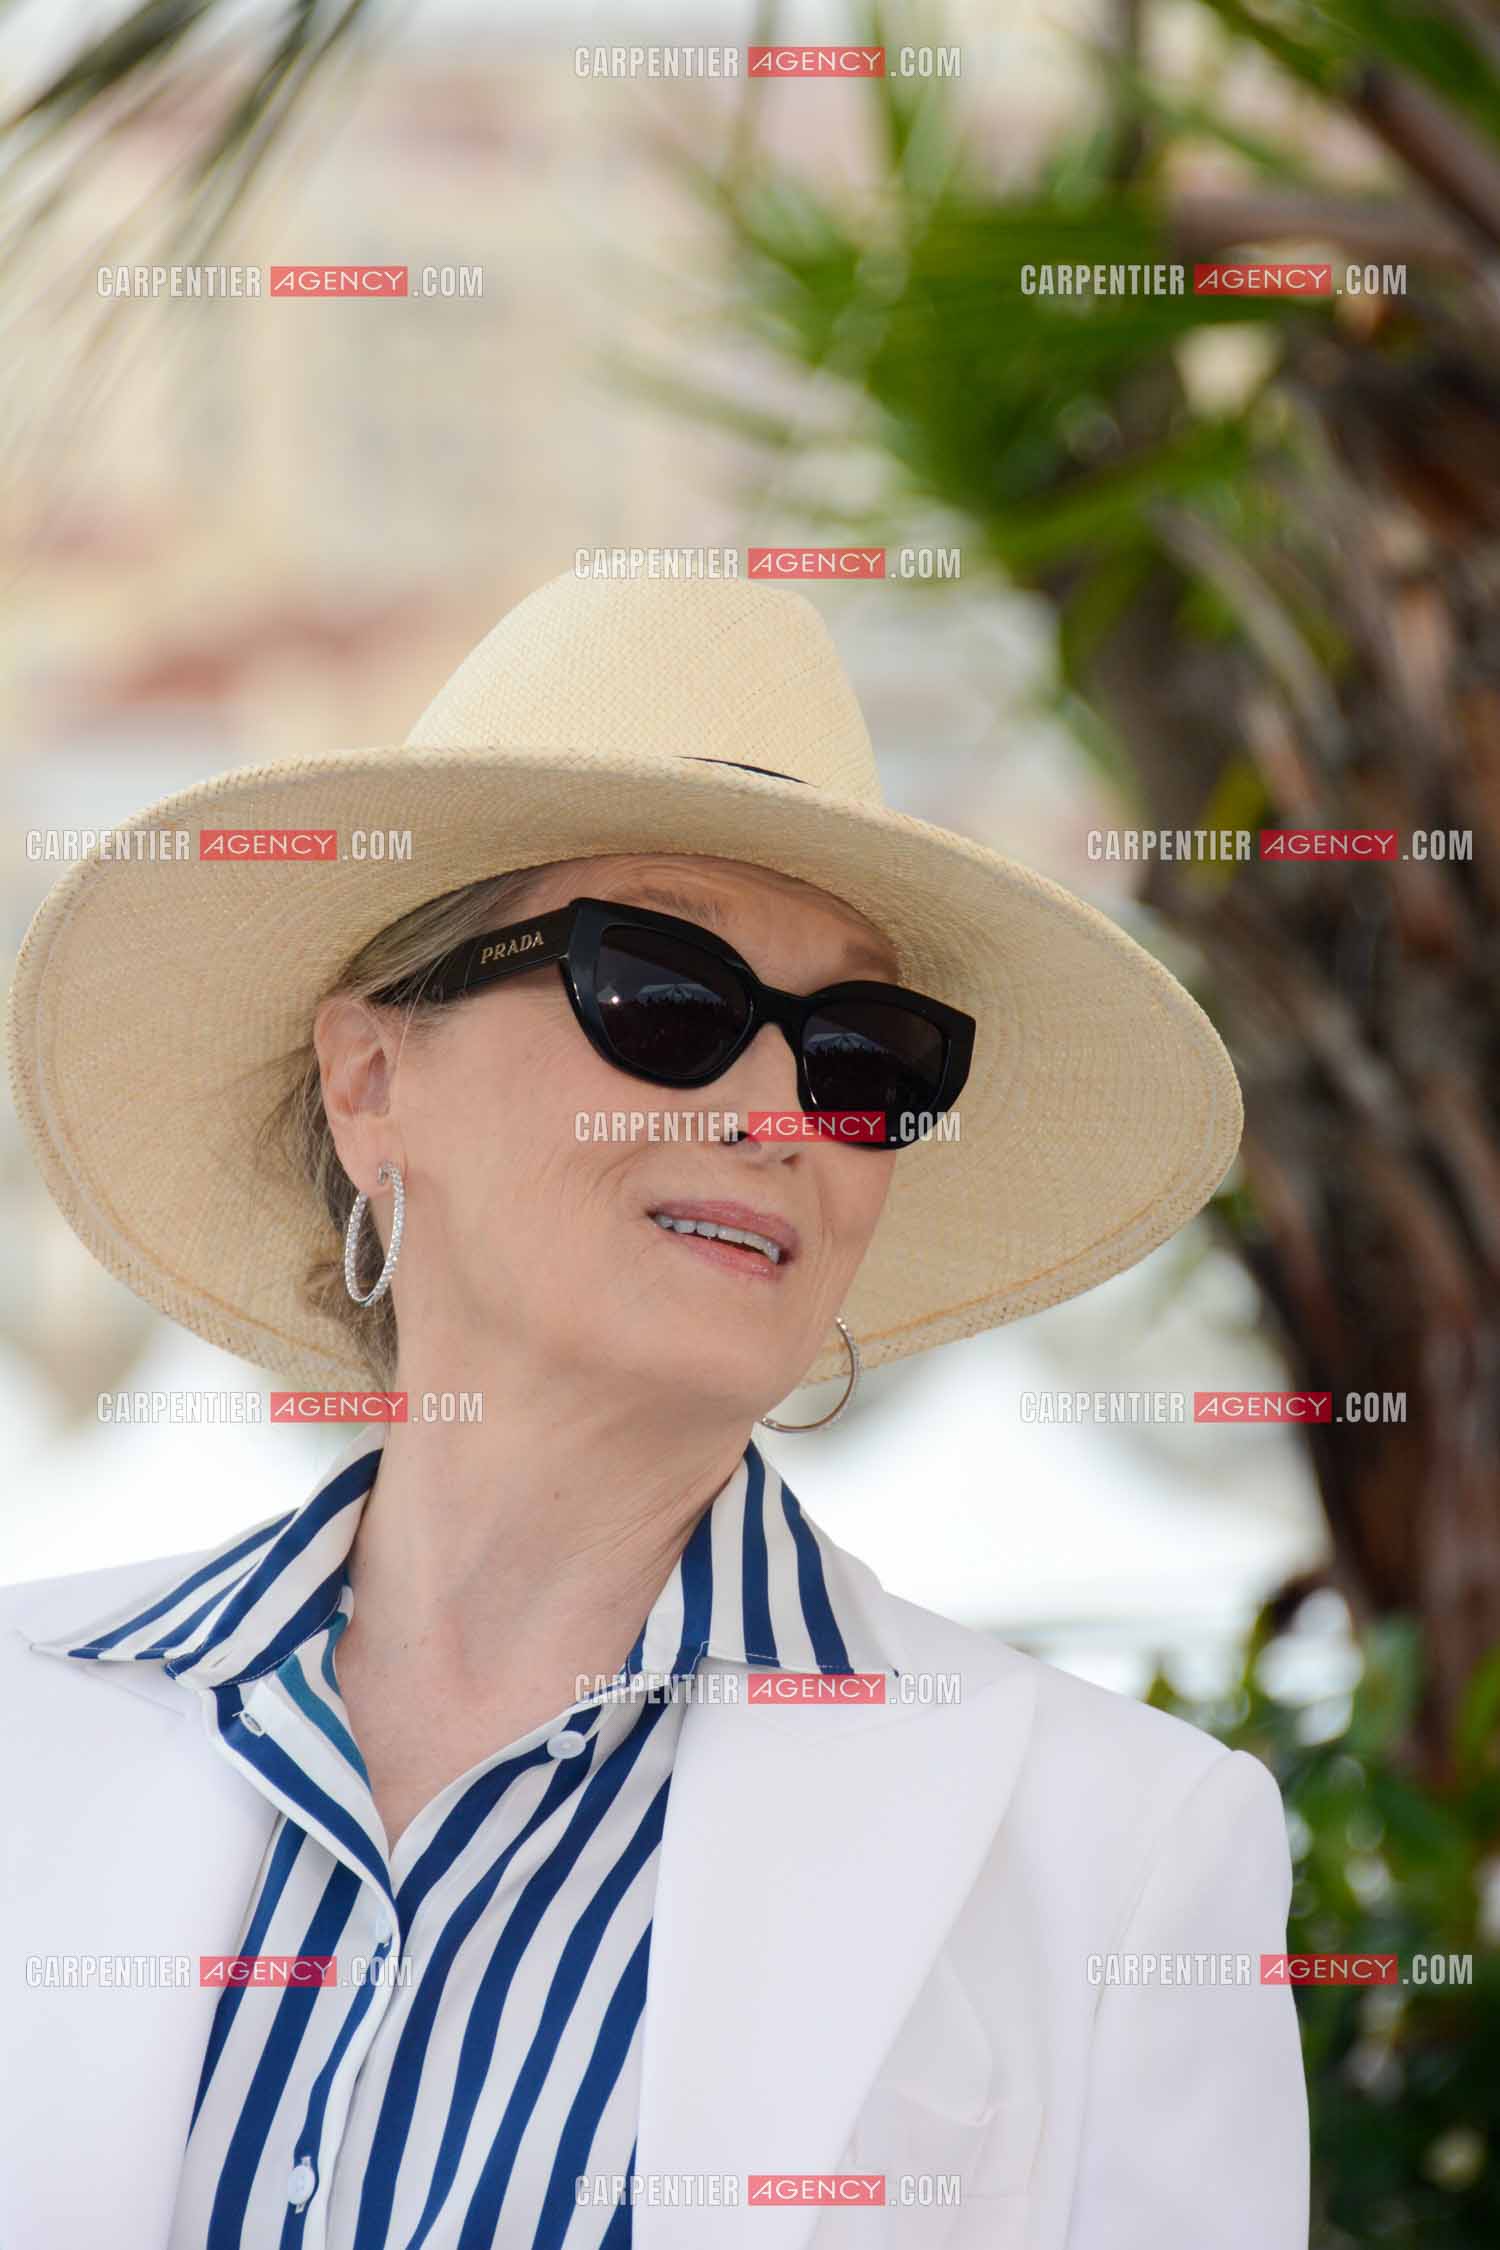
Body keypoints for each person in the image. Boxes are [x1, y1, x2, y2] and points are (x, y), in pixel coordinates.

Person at [0, 570, 1308, 2248]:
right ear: (372, 1079)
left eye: (863, 1055)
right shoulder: (27, 1731)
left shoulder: (1122, 1855)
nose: (779, 1110)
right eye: (668, 997)